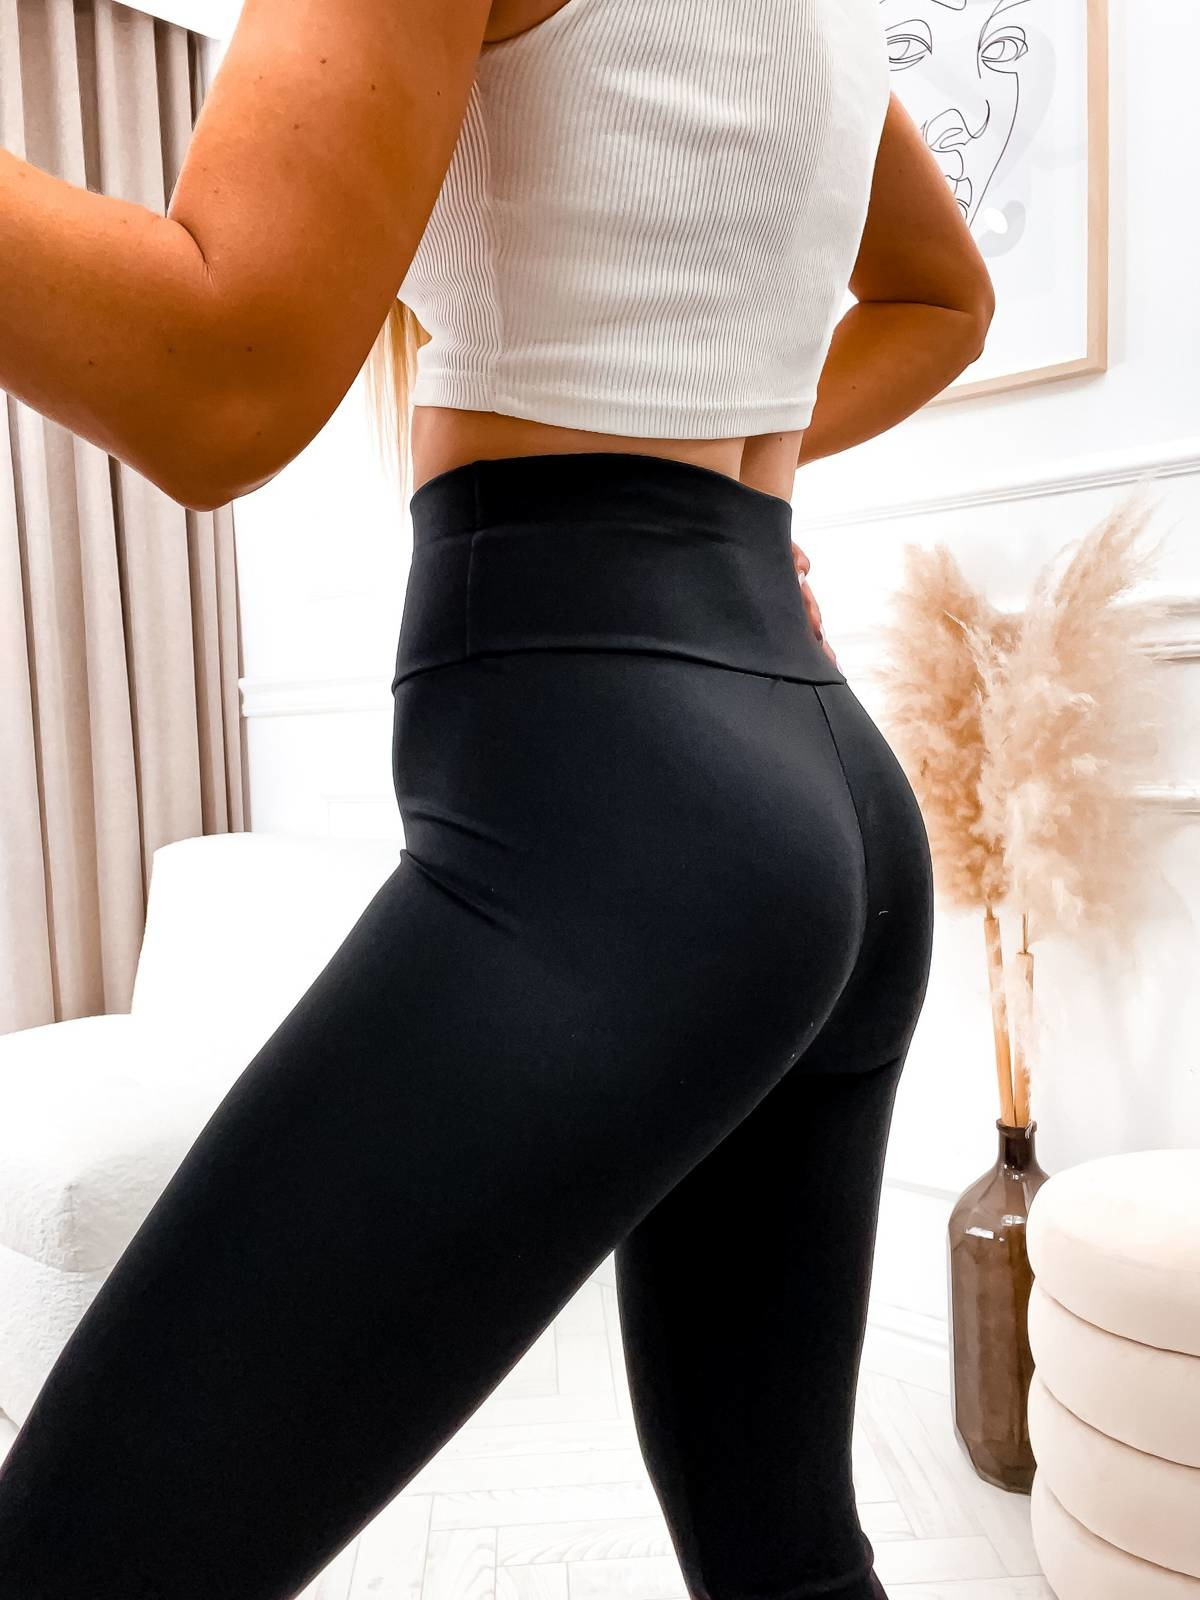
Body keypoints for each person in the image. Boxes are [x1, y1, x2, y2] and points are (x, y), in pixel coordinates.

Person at [0, 1, 994, 1596]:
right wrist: (708, 467)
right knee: (787, 1558)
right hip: (820, 772)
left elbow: (216, 382)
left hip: (610, 799)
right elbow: (944, 302)